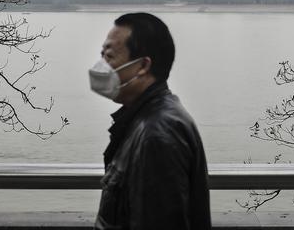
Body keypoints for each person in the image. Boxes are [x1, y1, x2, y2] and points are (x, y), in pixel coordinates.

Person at [89, 12, 211, 230]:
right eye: (102, 55)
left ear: (143, 66)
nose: (101, 66)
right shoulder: (145, 119)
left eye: (109, 57)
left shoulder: (157, 135)